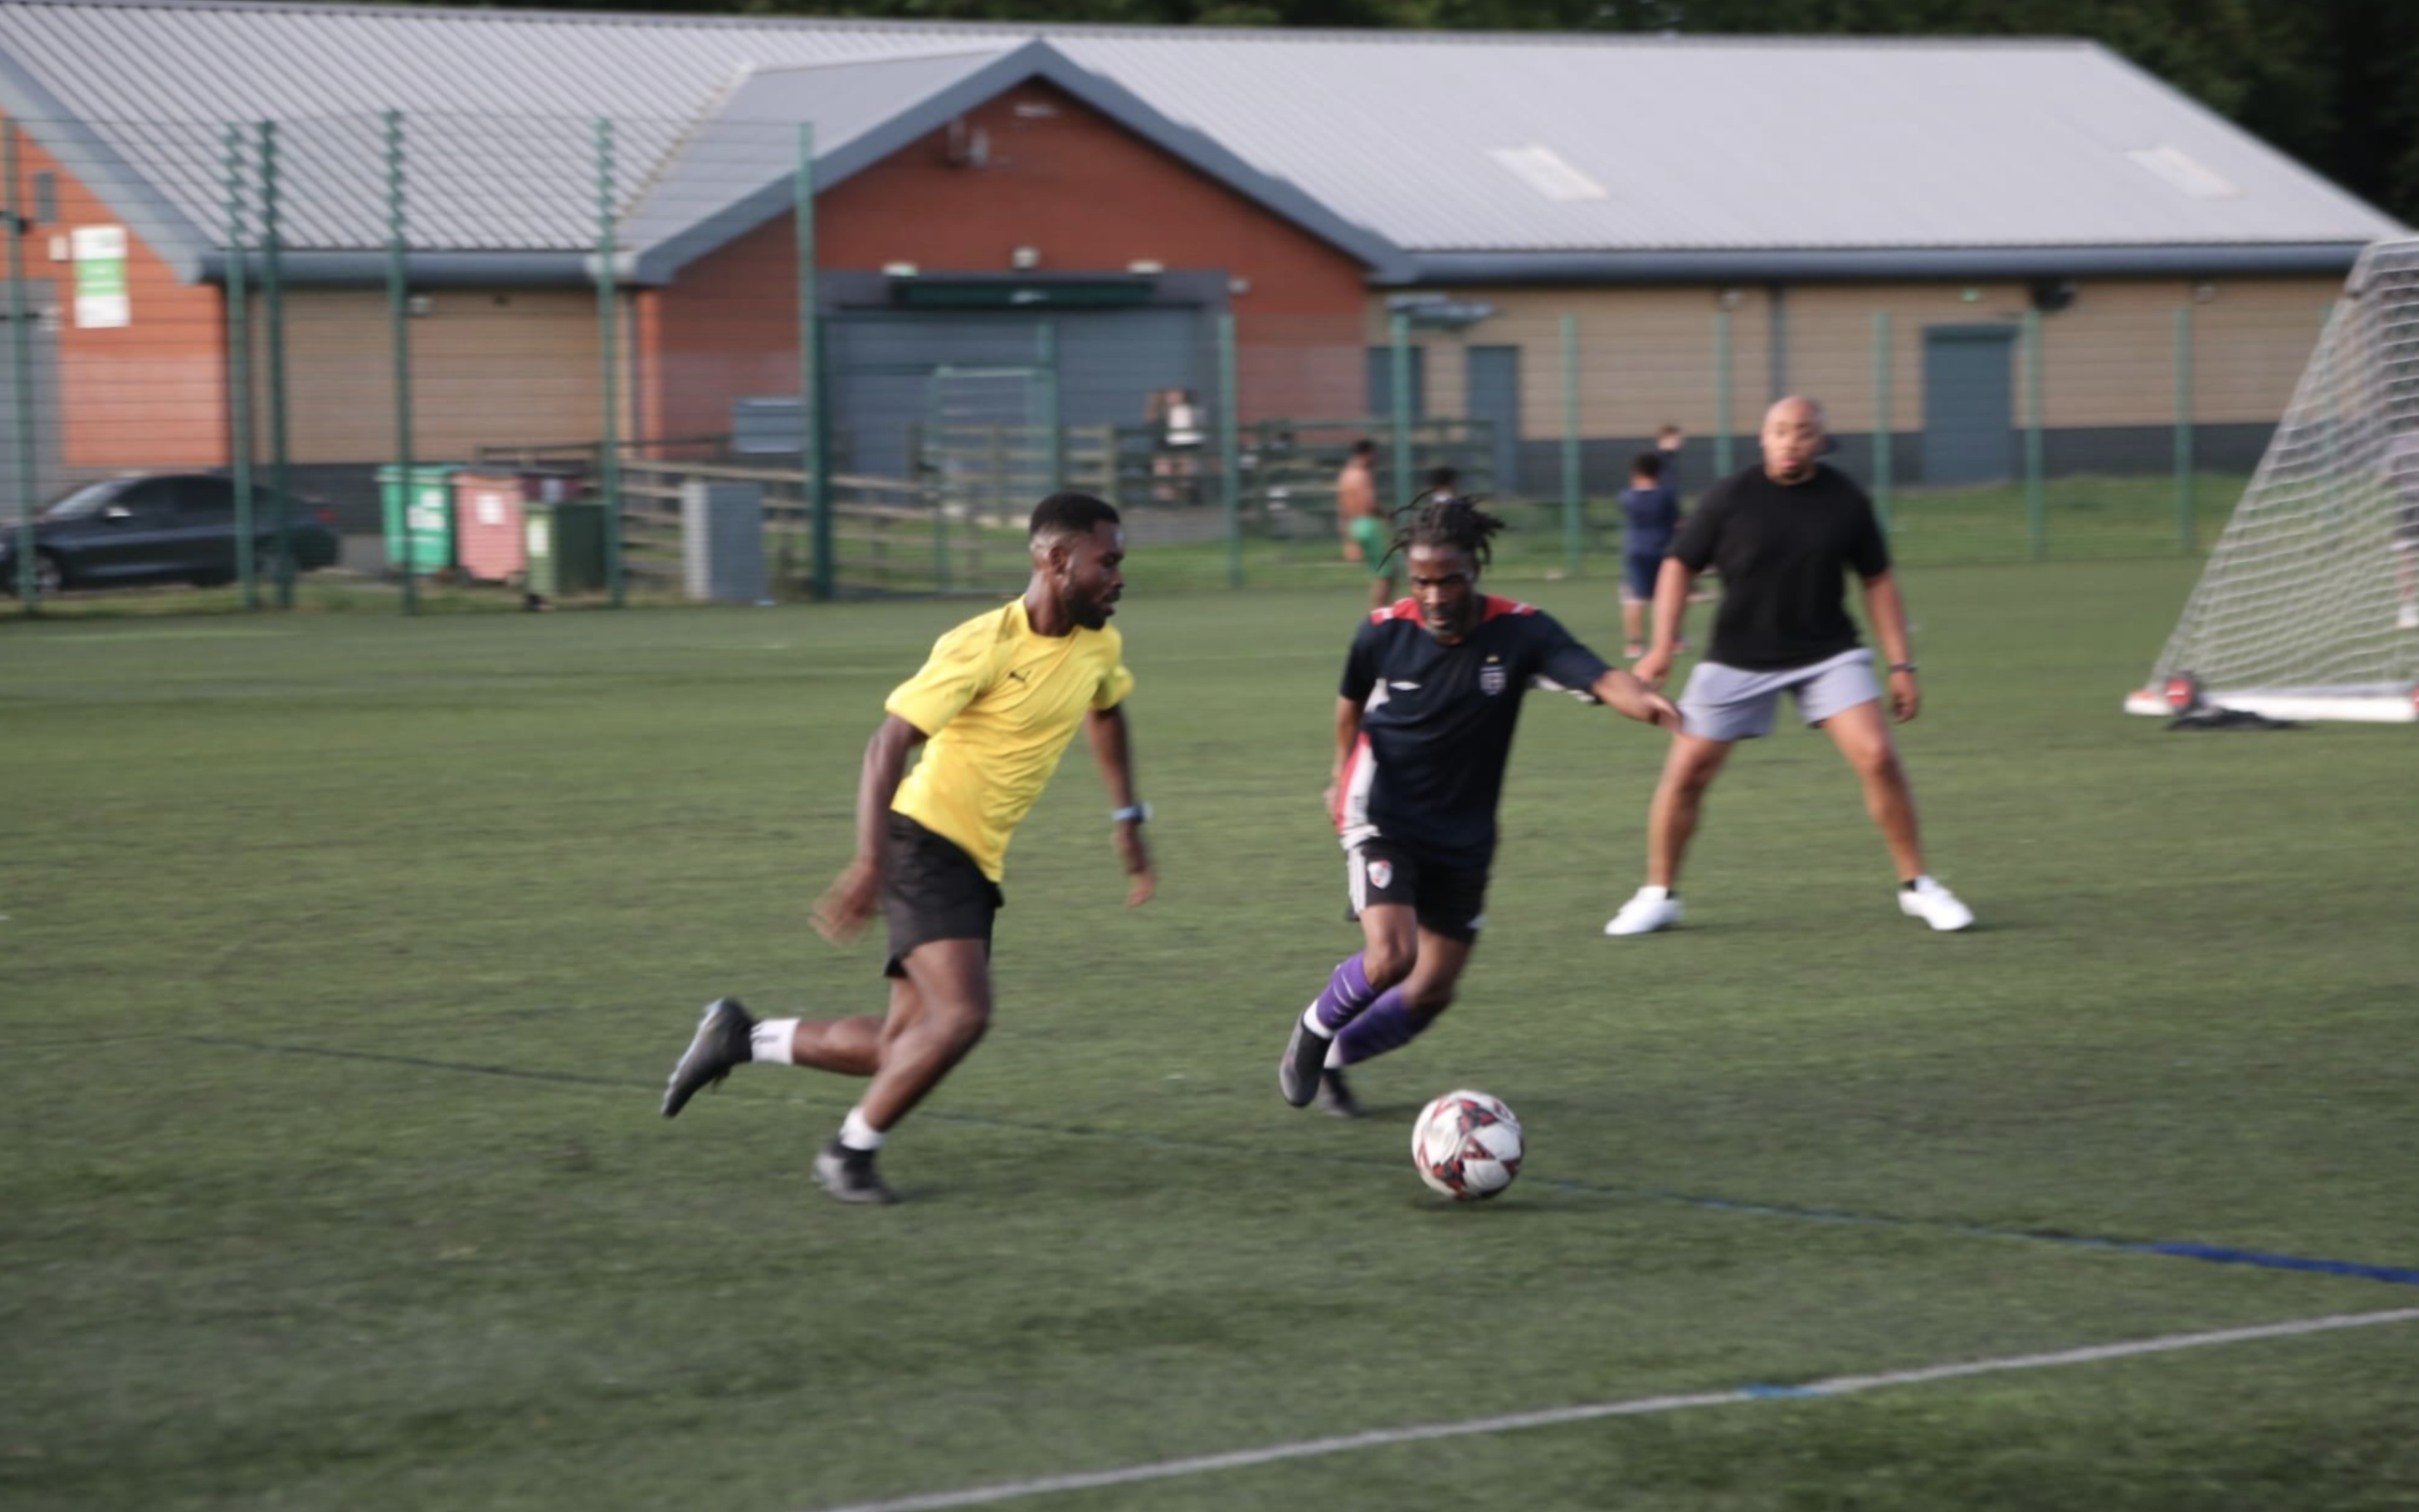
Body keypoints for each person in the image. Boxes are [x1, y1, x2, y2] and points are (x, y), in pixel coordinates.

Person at [662, 491, 1154, 1202]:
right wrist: (869, 860)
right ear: (1054, 561)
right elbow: (887, 741)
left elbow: (1106, 709)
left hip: (976, 860)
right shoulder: (981, 644)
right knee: (963, 1015)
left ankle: (742, 1038)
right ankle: (847, 1153)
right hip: (923, 842)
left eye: (1121, 562)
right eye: (1106, 560)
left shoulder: (1098, 644)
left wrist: (1128, 816)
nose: (1119, 576)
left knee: (904, 1044)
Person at [1277, 494, 1682, 1115]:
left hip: (1464, 833)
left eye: (1449, 581)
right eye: (1422, 582)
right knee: (1392, 955)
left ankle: (1337, 1057)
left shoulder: (1521, 632)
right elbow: (1349, 700)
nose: (1434, 596)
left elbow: (1597, 676)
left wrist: (1647, 703)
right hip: (1381, 811)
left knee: (1433, 989)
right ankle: (1312, 1032)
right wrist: (1339, 770)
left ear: (1475, 573)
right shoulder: (1383, 632)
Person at [1604, 397, 1974, 937]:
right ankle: (1658, 894)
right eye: (1780, 431)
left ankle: (1918, 887)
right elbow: (1678, 565)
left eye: (1803, 432)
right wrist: (1661, 646)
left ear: (1820, 441)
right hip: (1737, 656)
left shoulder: (1845, 499)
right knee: (1685, 774)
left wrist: (1902, 664)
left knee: (1877, 756)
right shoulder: (1730, 497)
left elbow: (1877, 580)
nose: (1790, 441)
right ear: (1763, 438)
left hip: (1827, 654)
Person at [1617, 451, 1682, 658]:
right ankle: (1671, 640)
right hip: (1663, 549)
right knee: (1665, 597)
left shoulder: (1627, 497)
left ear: (1635, 472)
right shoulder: (1666, 495)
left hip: (1636, 550)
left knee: (1634, 598)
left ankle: (1635, 644)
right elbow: (1677, 522)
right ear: (1658, 472)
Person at [1335, 438, 1394, 609]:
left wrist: (1347, 540)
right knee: (1385, 574)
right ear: (1367, 454)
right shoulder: (1363, 474)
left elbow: (1341, 509)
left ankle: (1380, 609)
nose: (1375, 458)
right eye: (1374, 454)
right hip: (1369, 523)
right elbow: (1370, 503)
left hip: (1355, 525)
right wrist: (1386, 514)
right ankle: (1380, 611)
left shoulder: (1345, 475)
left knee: (1379, 572)